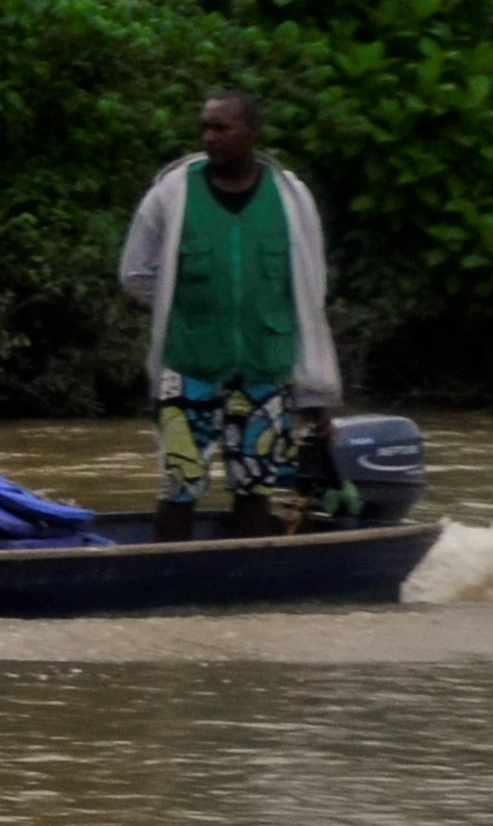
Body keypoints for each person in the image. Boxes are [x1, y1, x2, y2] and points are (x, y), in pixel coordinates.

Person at [118, 88, 340, 537]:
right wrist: (188, 307)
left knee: (255, 489)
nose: (210, 136)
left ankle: (247, 589)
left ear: (252, 132)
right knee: (179, 484)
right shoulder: (173, 193)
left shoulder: (291, 198)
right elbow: (137, 273)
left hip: (266, 368)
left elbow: (308, 293)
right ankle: (168, 586)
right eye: (205, 127)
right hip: (188, 367)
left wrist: (316, 399)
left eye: (222, 127)